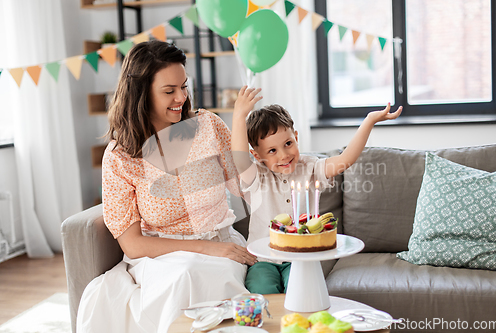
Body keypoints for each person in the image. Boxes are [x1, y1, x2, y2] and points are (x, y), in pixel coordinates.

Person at [76, 40, 257, 333]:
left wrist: (248, 131)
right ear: (141, 94)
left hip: (221, 245)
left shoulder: (207, 126)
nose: (181, 98)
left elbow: (247, 185)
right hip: (161, 259)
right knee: (185, 275)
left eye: (184, 86)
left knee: (199, 277)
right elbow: (133, 245)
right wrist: (208, 249)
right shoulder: (119, 157)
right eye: (169, 91)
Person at [231, 86, 402, 294]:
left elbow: (345, 160)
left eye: (288, 143)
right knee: (262, 290)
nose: (284, 155)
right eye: (272, 151)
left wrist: (368, 121)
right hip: (263, 259)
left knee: (302, 290)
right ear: (257, 155)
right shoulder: (256, 176)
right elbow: (239, 159)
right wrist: (239, 115)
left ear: (296, 136)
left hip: (301, 258)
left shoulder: (311, 167)